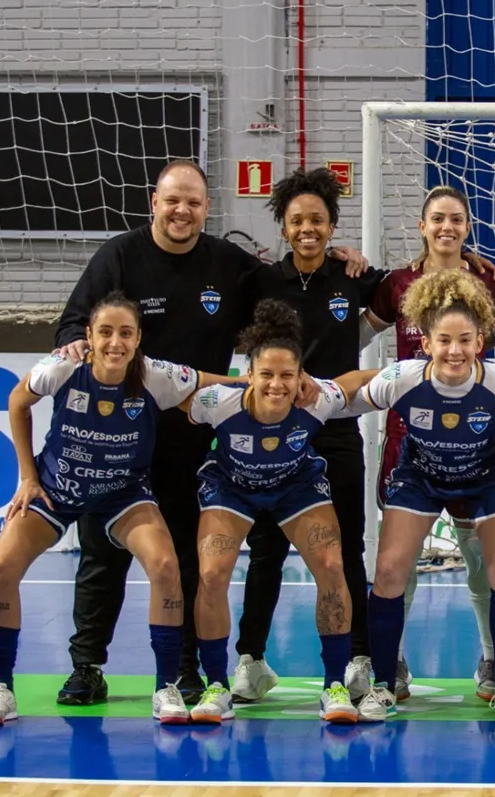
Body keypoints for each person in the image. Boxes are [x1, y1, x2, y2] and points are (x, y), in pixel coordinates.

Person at [52, 159, 365, 706]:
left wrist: (332, 257)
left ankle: (186, 668)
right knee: (104, 553)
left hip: (192, 435)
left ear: (206, 208)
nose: (182, 211)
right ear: (154, 203)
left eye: (193, 203)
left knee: (190, 556)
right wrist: (74, 348)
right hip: (120, 434)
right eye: (173, 201)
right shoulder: (118, 257)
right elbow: (73, 325)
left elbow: (291, 281)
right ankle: (87, 666)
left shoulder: (228, 263)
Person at [0, 292, 225, 725]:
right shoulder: (63, 367)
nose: (115, 342)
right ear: (88, 336)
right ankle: (1, 688)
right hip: (57, 490)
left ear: (138, 338)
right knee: (2, 567)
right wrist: (28, 477)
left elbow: (209, 380)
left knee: (166, 566)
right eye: (105, 332)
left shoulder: (154, 375)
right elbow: (17, 401)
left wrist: (264, 379)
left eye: (126, 333)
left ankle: (166, 686)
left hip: (122, 494)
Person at [231, 168, 386, 707]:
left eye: (317, 220)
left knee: (347, 549)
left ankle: (358, 657)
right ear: (284, 226)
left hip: (335, 432)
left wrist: (473, 261)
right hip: (274, 436)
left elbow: (412, 284)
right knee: (267, 548)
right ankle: (250, 660)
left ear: (332, 225)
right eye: (297, 220)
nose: (307, 229)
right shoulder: (262, 282)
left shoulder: (353, 277)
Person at [353, 270, 495, 724]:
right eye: (445, 341)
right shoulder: (402, 377)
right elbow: (344, 402)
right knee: (389, 570)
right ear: (426, 343)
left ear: (481, 342)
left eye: (465, 340)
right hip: (422, 476)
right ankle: (383, 683)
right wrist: (301, 401)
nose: (455, 350)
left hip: (488, 477)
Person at [184, 301, 376, 724]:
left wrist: (425, 368)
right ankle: (216, 686)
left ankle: (334, 686)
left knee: (332, 566)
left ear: (300, 376)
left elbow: (359, 380)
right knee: (212, 574)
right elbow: (168, 392)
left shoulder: (316, 399)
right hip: (232, 486)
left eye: (287, 375)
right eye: (266, 374)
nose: (277, 384)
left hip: (295, 486)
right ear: (249, 375)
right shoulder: (217, 402)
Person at [365, 185, 495, 701]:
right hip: (410, 444)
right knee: (398, 562)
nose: (446, 227)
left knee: (481, 561)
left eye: (456, 219)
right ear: (423, 226)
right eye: (437, 218)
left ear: (467, 227)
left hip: (475, 443)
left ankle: (494, 658)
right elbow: (355, 335)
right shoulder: (396, 283)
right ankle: (392, 660)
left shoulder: (488, 281)